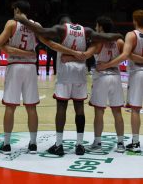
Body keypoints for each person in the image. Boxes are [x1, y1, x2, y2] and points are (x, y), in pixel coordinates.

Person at [0, 1, 84, 154]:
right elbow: (51, 44)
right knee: (31, 107)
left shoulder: (12, 24)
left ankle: (6, 144)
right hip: (31, 67)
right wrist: (71, 52)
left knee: (10, 107)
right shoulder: (35, 25)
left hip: (15, 67)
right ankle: (33, 144)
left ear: (17, 10)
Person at [15, 13, 123, 156]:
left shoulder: (61, 29)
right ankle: (79, 145)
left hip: (65, 72)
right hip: (80, 73)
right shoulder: (86, 30)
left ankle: (59, 145)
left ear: (62, 23)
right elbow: (107, 37)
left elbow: (41, 31)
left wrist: (23, 20)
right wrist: (118, 35)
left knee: (61, 107)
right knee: (79, 108)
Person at [97, 10, 143, 152]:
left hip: (138, 73)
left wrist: (106, 65)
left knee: (135, 109)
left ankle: (135, 143)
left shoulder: (132, 34)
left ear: (134, 20)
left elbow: (126, 55)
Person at [78, 16, 125, 153]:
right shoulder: (119, 41)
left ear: (101, 28)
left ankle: (98, 143)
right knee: (117, 112)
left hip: (101, 78)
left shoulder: (98, 42)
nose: (95, 28)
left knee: (99, 112)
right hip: (115, 77)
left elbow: (85, 55)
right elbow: (124, 56)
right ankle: (121, 143)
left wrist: (70, 55)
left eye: (97, 26)